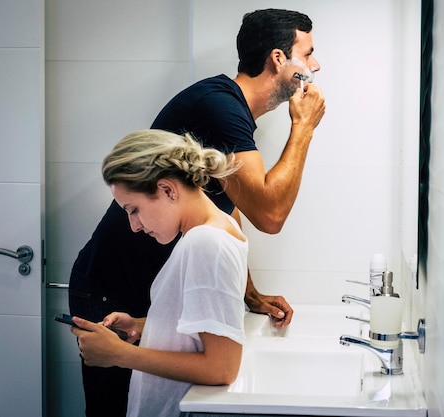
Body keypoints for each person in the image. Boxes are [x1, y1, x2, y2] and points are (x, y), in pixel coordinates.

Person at [69, 8, 325, 416]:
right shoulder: (220, 108)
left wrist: (249, 293)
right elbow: (270, 214)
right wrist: (304, 128)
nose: (315, 65)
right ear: (278, 59)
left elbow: (230, 209)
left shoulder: (226, 109)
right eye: (308, 53)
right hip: (115, 280)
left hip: (145, 281)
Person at [72, 129, 248, 417]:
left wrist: (119, 354)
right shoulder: (220, 227)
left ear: (168, 189)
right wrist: (146, 325)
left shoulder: (206, 242)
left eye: (134, 210)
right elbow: (203, 327)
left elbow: (222, 367)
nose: (135, 226)